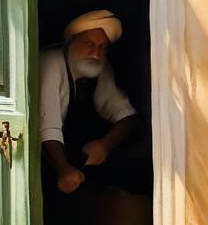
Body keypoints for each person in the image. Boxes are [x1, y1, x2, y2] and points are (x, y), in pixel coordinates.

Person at [39, 10, 137, 195]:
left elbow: (127, 115)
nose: (96, 53)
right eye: (89, 44)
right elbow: (47, 127)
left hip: (77, 162)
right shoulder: (50, 63)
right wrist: (64, 170)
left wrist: (105, 145)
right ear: (70, 42)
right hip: (46, 162)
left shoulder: (98, 66)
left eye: (103, 47)